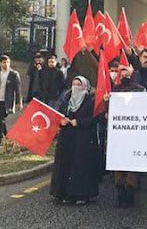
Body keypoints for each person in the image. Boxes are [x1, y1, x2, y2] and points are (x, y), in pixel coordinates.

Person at [50, 76, 100, 204]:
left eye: (79, 84)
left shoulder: (90, 100)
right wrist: (62, 121)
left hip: (83, 137)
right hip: (67, 136)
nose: (76, 87)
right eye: (74, 84)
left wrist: (79, 122)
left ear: (85, 86)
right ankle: (64, 192)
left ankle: (81, 194)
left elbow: (95, 118)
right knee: (65, 163)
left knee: (80, 164)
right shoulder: (67, 98)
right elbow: (60, 113)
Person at [104, 66, 145, 207]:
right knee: (119, 162)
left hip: (135, 131)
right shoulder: (115, 90)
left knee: (132, 162)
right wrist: (106, 101)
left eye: (128, 73)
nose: (125, 76)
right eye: (123, 74)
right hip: (119, 132)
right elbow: (108, 111)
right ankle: (120, 192)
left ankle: (130, 193)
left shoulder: (140, 89)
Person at [0, 55, 22, 147]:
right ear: (0, 63)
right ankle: (8, 139)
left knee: (1, 120)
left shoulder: (14, 74)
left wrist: (19, 102)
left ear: (9, 63)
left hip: (6, 102)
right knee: (0, 121)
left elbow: (18, 90)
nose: (5, 64)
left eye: (7, 62)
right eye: (3, 62)